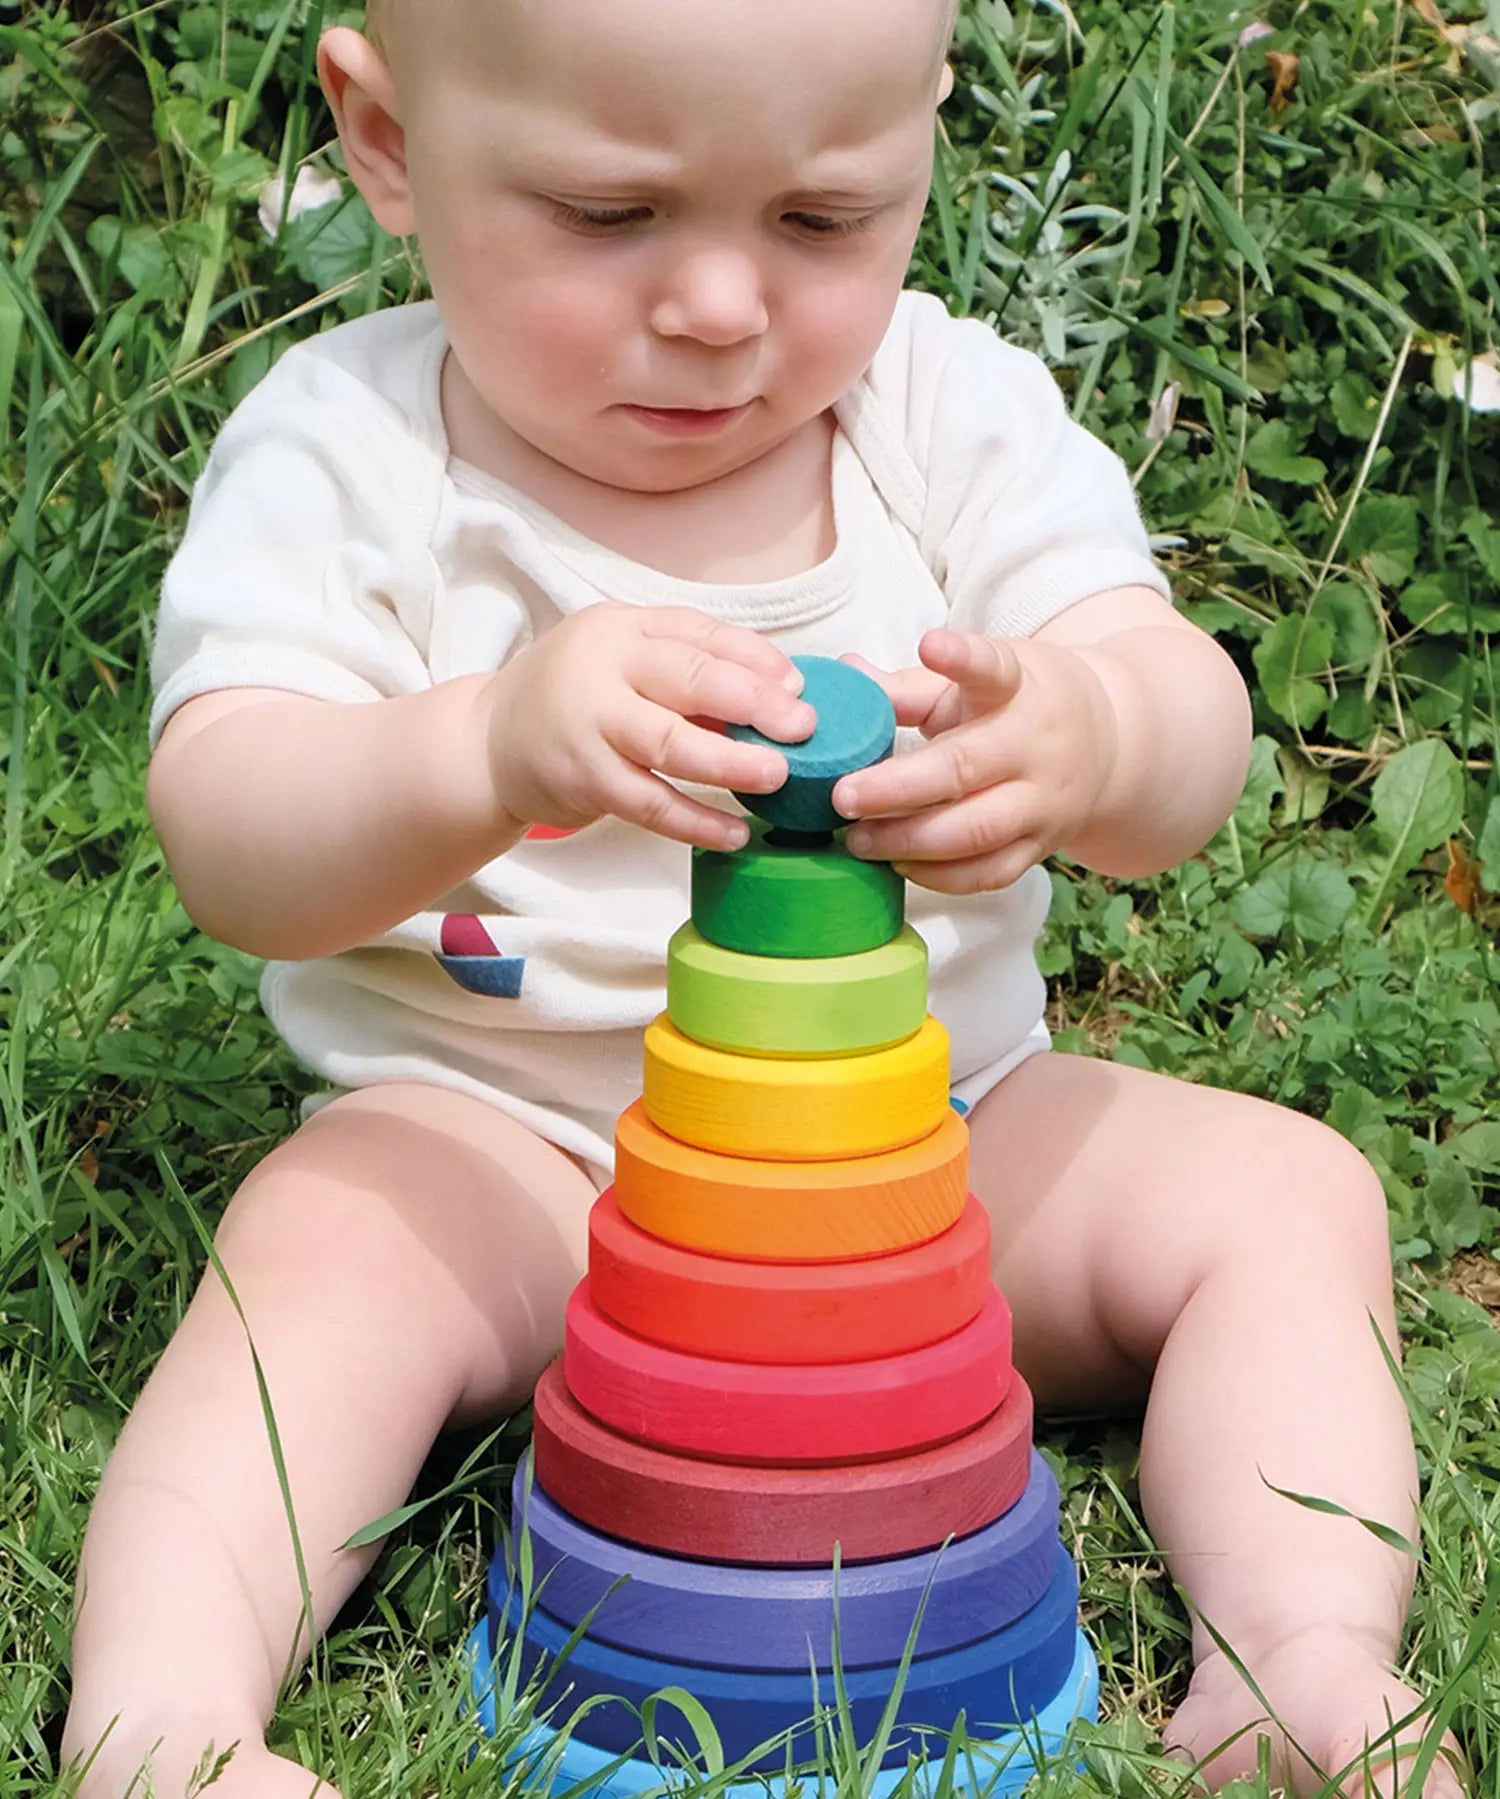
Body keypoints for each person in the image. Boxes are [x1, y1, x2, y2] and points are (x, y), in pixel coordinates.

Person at [61, 2, 1464, 1795]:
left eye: (819, 220)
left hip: (937, 1166)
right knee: (317, 1256)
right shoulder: (350, 454)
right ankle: (164, 1717)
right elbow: (233, 835)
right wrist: (481, 747)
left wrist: (1093, 734)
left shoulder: (941, 416)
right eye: (606, 214)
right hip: (521, 1163)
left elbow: (1182, 728)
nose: (723, 306)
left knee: (1290, 1194)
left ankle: (1301, 1664)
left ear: (923, 144)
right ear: (388, 138)